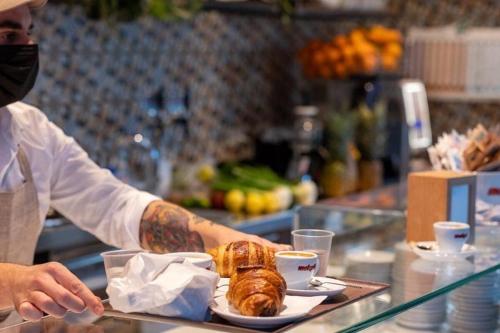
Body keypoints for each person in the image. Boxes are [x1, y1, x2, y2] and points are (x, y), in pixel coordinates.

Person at [0, 0, 289, 323]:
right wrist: (11, 280)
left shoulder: (32, 131)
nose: (28, 49)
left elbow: (116, 206)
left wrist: (225, 240)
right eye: (10, 37)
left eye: (28, 34)